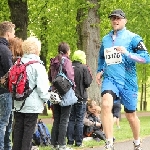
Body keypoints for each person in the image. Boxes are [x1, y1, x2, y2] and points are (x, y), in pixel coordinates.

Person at [96, 9, 150, 150]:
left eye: (118, 18)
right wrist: (100, 71)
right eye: (113, 18)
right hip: (110, 79)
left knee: (131, 115)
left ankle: (137, 142)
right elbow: (102, 57)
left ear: (125, 20)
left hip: (128, 81)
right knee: (106, 104)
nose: (115, 20)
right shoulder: (105, 39)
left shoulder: (134, 38)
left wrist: (127, 53)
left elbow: (146, 58)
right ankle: (109, 143)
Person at [12, 37, 50, 150]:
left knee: (18, 132)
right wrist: (46, 99)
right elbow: (43, 89)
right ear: (37, 49)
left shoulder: (17, 64)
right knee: (28, 134)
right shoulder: (38, 66)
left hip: (18, 103)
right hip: (32, 105)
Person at [48, 42, 75, 150]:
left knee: (57, 118)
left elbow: (50, 77)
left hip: (55, 92)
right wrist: (73, 87)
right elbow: (71, 77)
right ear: (67, 51)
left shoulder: (53, 62)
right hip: (65, 92)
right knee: (64, 119)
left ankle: (54, 143)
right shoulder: (66, 61)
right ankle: (62, 144)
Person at [67, 50, 92, 147]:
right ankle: (78, 142)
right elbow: (88, 82)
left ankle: (69, 141)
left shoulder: (69, 67)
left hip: (70, 97)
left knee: (71, 119)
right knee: (79, 120)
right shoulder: (84, 68)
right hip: (81, 97)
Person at [0, 21, 15, 150]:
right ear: (8, 34)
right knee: (4, 122)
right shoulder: (4, 50)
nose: (14, 36)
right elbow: (10, 72)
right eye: (13, 33)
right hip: (4, 91)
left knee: (7, 122)